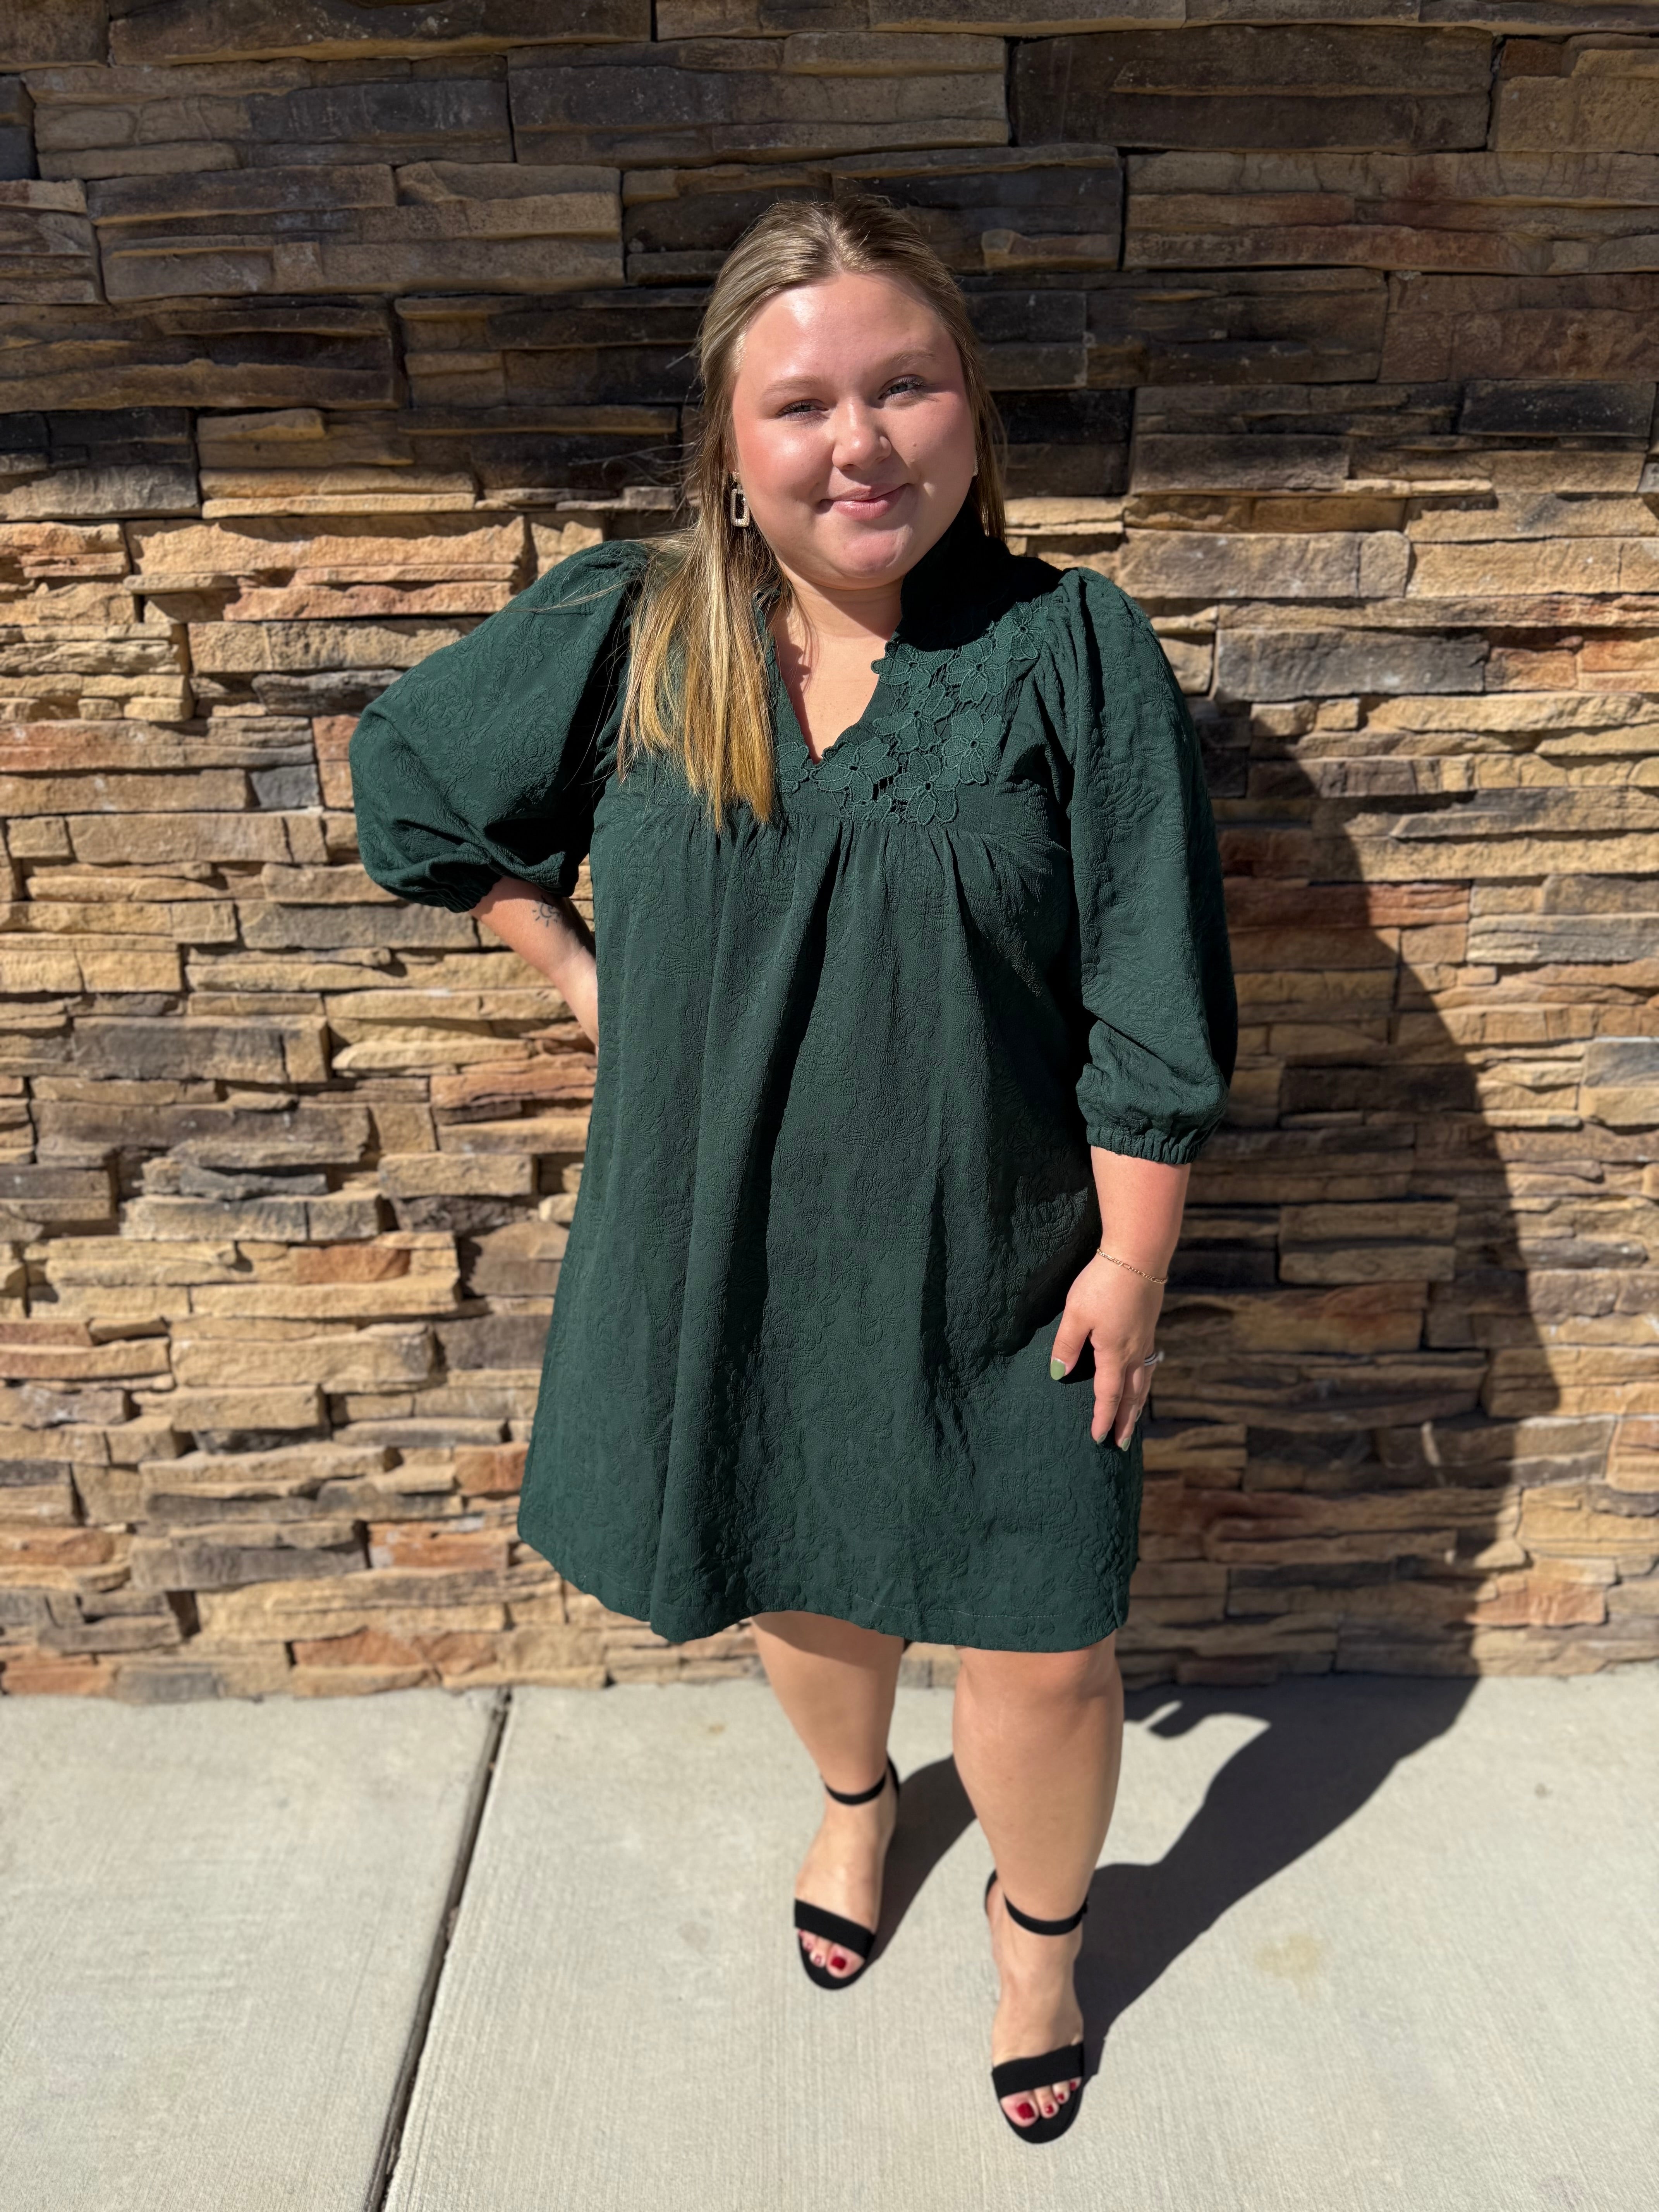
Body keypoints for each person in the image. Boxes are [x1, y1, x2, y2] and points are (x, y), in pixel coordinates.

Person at [350, 194, 1236, 2145]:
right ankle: (859, 1805)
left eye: (904, 386)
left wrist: (1133, 1266)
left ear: (970, 405)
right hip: (731, 1245)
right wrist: (577, 970)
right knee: (804, 1585)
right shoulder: (637, 628)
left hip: (1008, 1266)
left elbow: (1153, 988)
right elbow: (411, 779)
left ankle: (1040, 1942)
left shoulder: (1071, 651)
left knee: (1045, 1646)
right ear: (730, 444)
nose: (862, 443)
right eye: (804, 404)